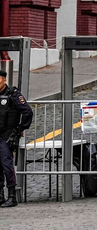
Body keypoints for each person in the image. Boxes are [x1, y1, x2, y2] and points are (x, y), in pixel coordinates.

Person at [0, 69, 32, 208]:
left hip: (7, 136)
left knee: (7, 165)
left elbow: (27, 112)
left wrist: (20, 129)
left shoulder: (13, 94)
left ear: (4, 80)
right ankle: (0, 196)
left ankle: (12, 196)